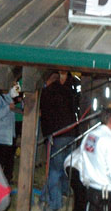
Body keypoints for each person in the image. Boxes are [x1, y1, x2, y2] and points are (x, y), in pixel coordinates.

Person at [70, 108, 111, 211]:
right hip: (107, 194)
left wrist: (86, 181)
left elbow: (82, 160)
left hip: (91, 190)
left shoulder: (90, 136)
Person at [40, 71, 78, 211]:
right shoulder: (67, 91)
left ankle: (55, 203)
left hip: (58, 135)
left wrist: (47, 136)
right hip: (71, 134)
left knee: (54, 170)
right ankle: (58, 193)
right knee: (65, 167)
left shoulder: (46, 93)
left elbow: (45, 115)